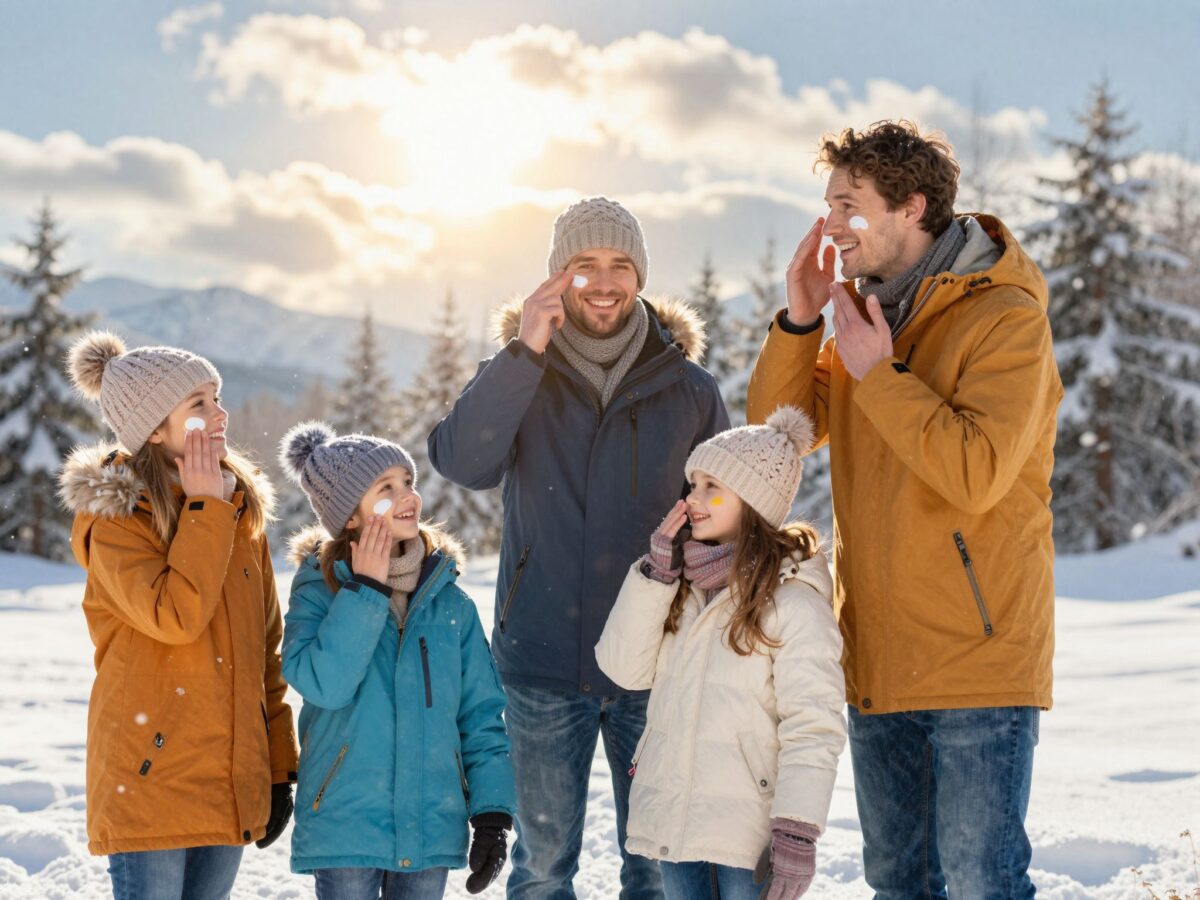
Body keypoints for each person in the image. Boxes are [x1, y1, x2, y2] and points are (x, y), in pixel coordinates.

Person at [747, 120, 1062, 898]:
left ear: (912, 206)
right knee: (898, 884)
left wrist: (877, 372)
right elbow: (778, 441)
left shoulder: (1005, 318)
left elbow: (977, 472)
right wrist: (799, 318)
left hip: (977, 664)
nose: (831, 226)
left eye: (849, 206)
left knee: (982, 882)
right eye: (827, 205)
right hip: (879, 658)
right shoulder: (866, 315)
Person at [429, 196, 729, 898]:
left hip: (654, 665)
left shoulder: (688, 388)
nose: (603, 281)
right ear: (558, 276)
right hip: (541, 663)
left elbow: (723, 515)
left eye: (620, 264)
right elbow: (462, 462)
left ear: (641, 276)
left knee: (655, 864)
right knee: (541, 868)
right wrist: (523, 352)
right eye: (585, 264)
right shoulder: (520, 371)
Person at [59, 331, 298, 900]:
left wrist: (277, 763)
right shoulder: (116, 518)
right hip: (149, 783)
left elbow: (264, 648)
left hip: (226, 780)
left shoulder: (237, 506)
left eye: (216, 397)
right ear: (155, 429)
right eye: (200, 404)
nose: (221, 414)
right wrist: (203, 508)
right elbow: (176, 616)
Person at [595, 407, 846, 900]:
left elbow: (813, 723)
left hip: (748, 836)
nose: (693, 499)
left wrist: (797, 828)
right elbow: (623, 669)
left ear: (753, 503)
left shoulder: (793, 600)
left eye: (713, 487)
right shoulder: (680, 586)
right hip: (678, 822)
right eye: (693, 484)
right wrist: (655, 576)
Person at [278, 422, 516, 900]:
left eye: (406, 481)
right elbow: (324, 684)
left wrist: (492, 814)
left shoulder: (451, 604)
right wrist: (365, 592)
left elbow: (481, 715)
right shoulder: (319, 591)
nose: (408, 494)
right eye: (385, 487)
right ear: (350, 516)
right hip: (345, 823)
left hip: (430, 823)